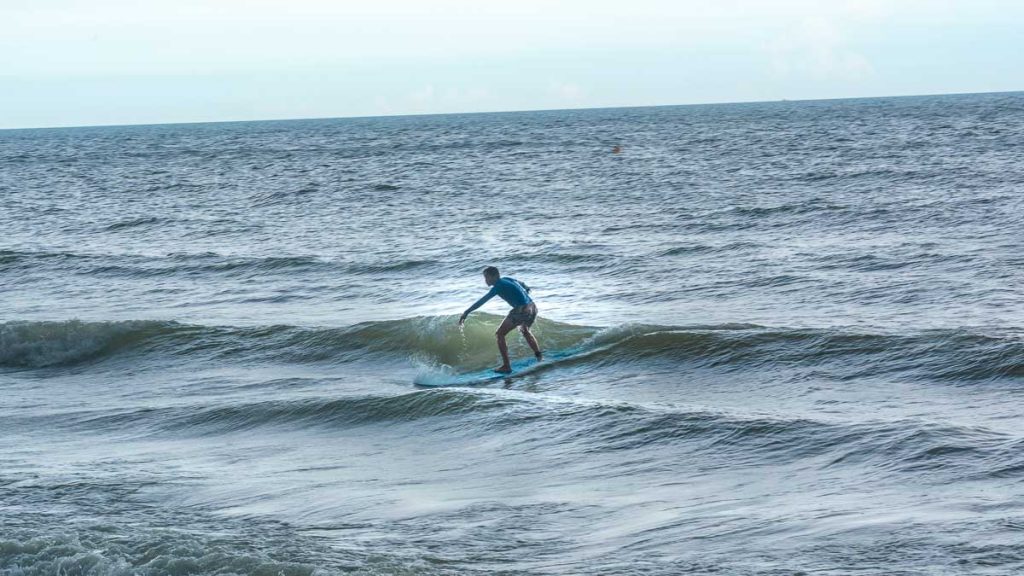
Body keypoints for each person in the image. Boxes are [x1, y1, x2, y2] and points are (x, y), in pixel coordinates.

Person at [458, 266, 542, 373]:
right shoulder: (507, 279)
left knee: (500, 334)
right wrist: (525, 291)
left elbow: (482, 301)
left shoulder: (498, 286)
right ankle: (539, 356)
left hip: (522, 310)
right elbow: (523, 284)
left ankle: (506, 366)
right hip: (533, 307)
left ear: (495, 276)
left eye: (487, 278)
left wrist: (466, 312)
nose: (485, 281)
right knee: (525, 331)